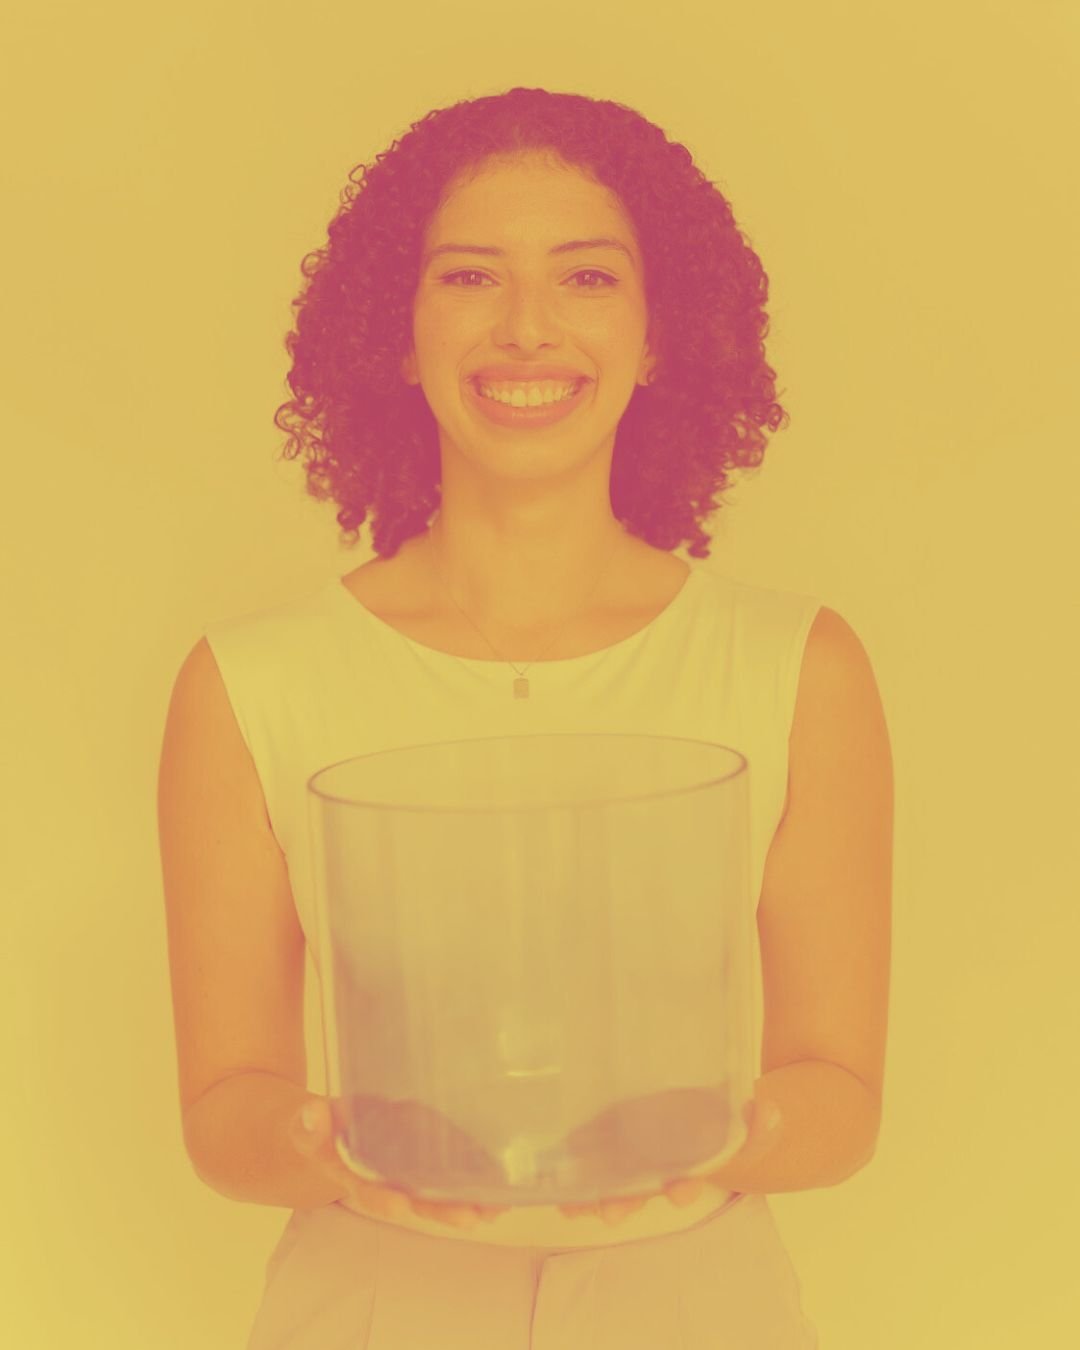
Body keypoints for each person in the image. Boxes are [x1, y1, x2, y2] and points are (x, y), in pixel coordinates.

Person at [157, 86, 892, 1348]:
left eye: (589, 278)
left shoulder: (796, 667)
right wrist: (322, 1142)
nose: (528, 328)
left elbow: (840, 1092)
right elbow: (227, 1104)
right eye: (468, 279)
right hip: (373, 1308)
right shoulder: (251, 682)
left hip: (698, 1309)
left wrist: (725, 1130)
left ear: (665, 332)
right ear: (395, 333)